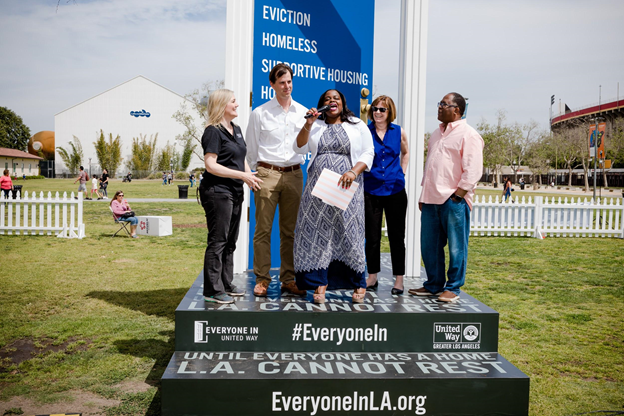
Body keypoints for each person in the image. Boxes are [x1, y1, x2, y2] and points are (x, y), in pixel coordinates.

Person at [293, 89, 374, 304]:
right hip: (318, 190)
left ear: (342, 103)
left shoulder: (357, 125)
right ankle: (320, 281)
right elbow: (299, 146)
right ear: (322, 104)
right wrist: (309, 123)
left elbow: (368, 152)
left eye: (336, 98)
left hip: (347, 187)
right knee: (319, 233)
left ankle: (358, 282)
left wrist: (353, 171)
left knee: (349, 232)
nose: (331, 101)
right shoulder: (316, 125)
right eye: (327, 99)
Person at [408, 92, 483, 303]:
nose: (439, 107)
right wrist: (424, 194)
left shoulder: (469, 135)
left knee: (457, 246)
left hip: (453, 200)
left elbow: (473, 170)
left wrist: (458, 196)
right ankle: (433, 285)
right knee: (429, 246)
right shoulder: (435, 134)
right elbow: (430, 167)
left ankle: (453, 288)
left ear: (456, 110)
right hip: (431, 200)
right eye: (439, 103)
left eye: (444, 104)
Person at [246, 63, 308, 297]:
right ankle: (262, 279)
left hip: (294, 174)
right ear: (272, 84)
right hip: (266, 174)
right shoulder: (260, 113)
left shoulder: (302, 112)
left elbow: (304, 145)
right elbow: (251, 148)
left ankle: (288, 279)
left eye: (289, 82)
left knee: (289, 231)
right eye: (281, 82)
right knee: (262, 230)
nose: (287, 86)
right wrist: (254, 174)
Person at [199, 89, 262, 304]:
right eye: (233, 101)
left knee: (231, 241)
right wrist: (241, 175)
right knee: (218, 240)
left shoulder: (236, 129)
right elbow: (210, 165)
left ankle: (225, 283)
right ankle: (212, 290)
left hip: (235, 191)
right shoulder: (212, 131)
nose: (237, 105)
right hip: (217, 191)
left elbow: (240, 157)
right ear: (222, 104)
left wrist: (248, 177)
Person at [363, 95, 409, 295]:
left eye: (382, 109)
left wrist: (402, 173)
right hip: (371, 189)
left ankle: (399, 280)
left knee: (396, 236)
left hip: (395, 190)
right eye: (375, 109)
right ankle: (372, 276)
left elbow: (405, 153)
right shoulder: (365, 132)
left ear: (390, 112)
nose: (378, 113)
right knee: (372, 237)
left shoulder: (399, 132)